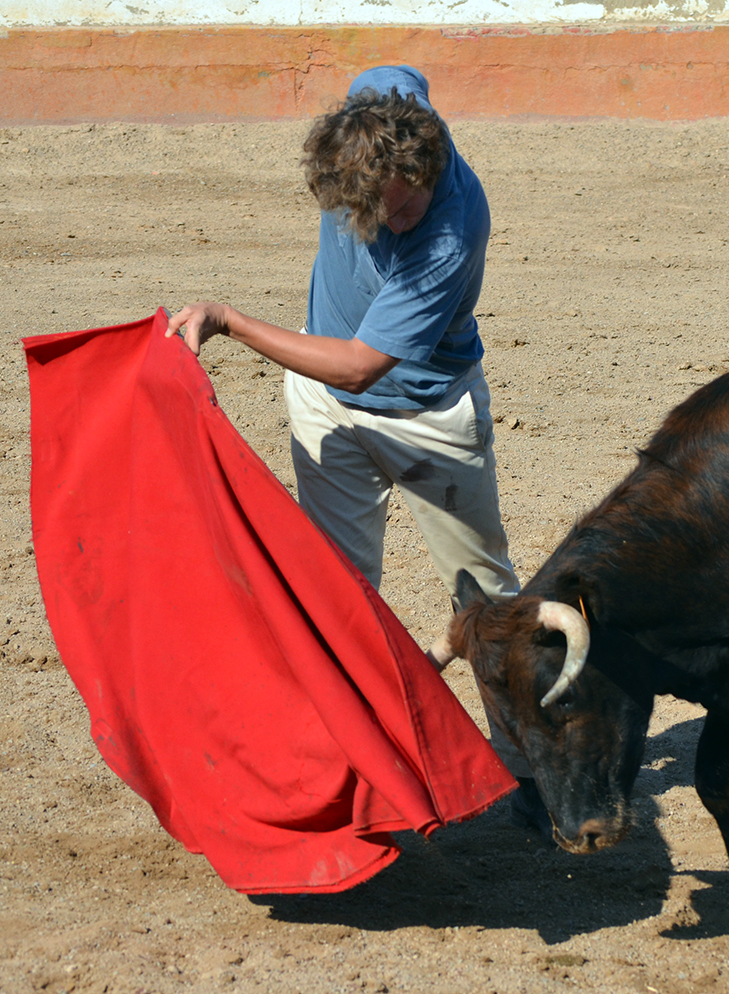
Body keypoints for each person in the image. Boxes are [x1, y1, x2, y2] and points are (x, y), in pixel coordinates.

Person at [165, 65, 547, 835]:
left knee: (486, 600)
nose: (390, 223)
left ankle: (532, 772)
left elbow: (362, 363)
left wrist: (232, 321)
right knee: (336, 593)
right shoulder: (383, 114)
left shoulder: (450, 228)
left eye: (401, 206)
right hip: (322, 408)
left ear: (424, 168)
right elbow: (396, 75)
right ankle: (363, 766)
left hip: (428, 416)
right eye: (369, 211)